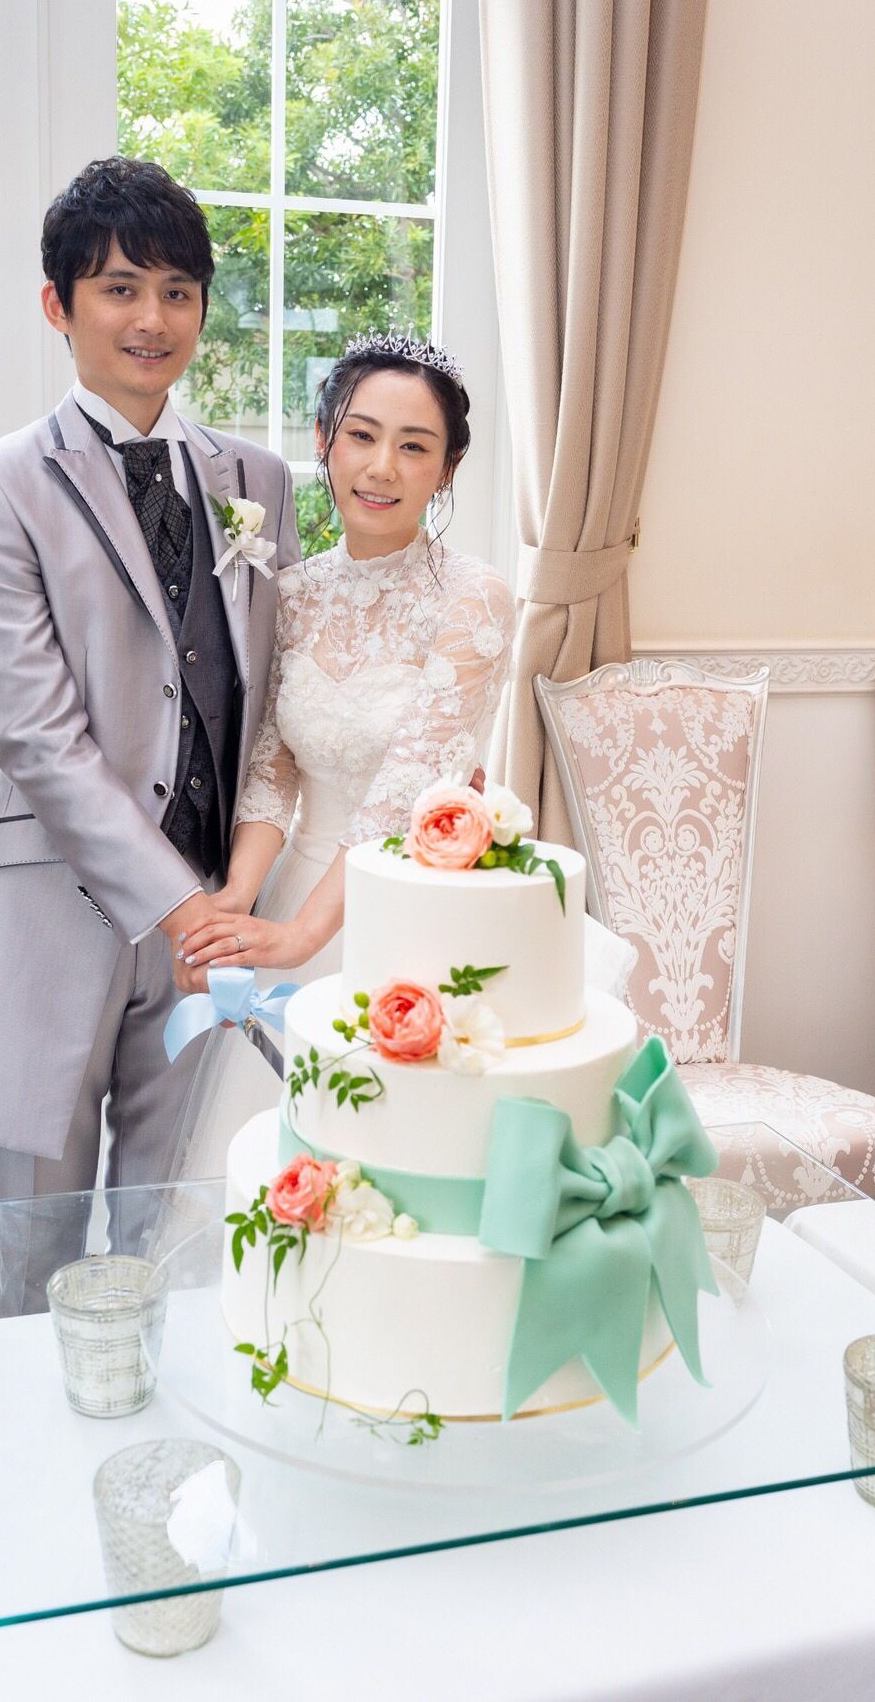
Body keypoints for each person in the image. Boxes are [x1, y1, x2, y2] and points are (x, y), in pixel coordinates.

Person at [0, 156, 301, 1227]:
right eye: (120, 288)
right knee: (31, 1243)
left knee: (170, 1227)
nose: (152, 319)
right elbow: (36, 738)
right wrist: (187, 908)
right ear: (60, 304)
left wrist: (225, 902)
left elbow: (272, 697)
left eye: (178, 291)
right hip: (56, 908)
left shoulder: (258, 483)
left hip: (214, 920)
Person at [169, 333, 635, 1180]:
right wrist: (237, 901)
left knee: (401, 1163)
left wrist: (298, 936)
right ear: (324, 441)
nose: (382, 467)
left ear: (447, 469)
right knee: (282, 1165)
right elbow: (274, 766)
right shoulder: (294, 592)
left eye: (414, 447)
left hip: (408, 907)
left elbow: (402, 789)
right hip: (296, 877)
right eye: (362, 435)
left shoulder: (474, 597)